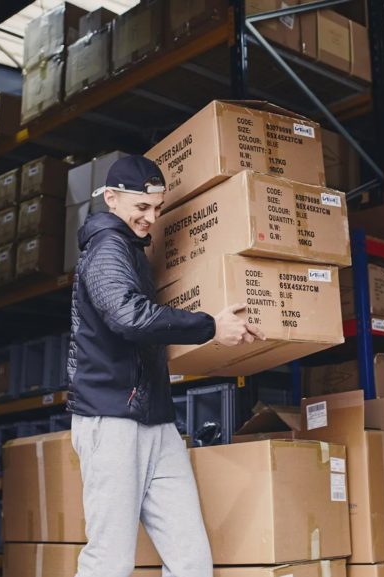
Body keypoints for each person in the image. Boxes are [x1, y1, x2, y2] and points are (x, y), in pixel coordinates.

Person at [66, 156, 264, 577]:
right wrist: (211, 326)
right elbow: (127, 317)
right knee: (109, 560)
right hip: (112, 419)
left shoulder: (133, 250)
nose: (151, 218)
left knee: (191, 560)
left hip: (155, 421)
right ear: (113, 198)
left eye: (157, 207)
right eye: (142, 208)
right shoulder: (106, 247)